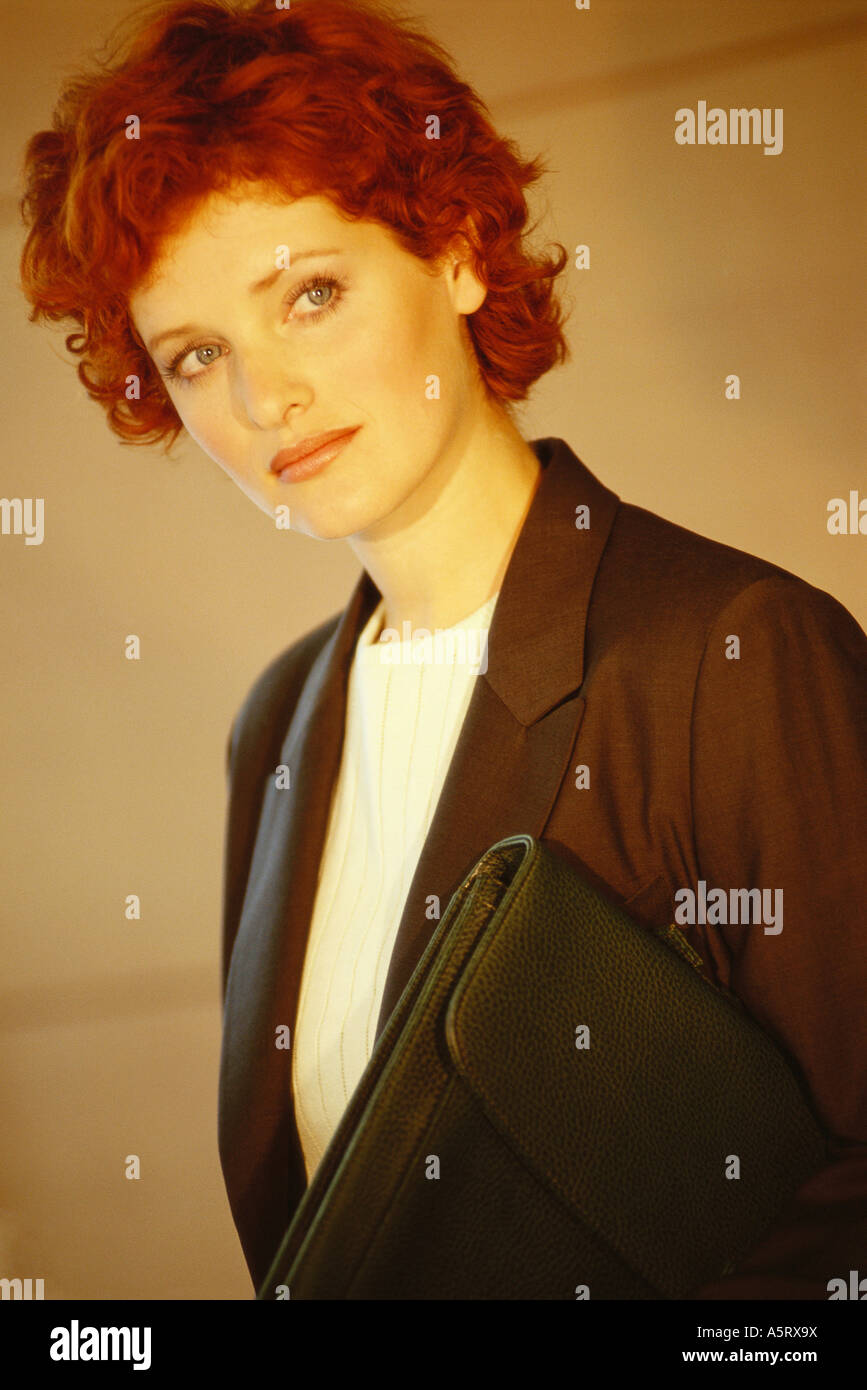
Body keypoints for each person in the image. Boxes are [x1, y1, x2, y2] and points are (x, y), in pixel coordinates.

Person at [19, 0, 867, 1300]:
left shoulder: (736, 654)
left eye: (309, 293)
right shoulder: (280, 722)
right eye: (197, 356)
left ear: (460, 248)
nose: (264, 399)